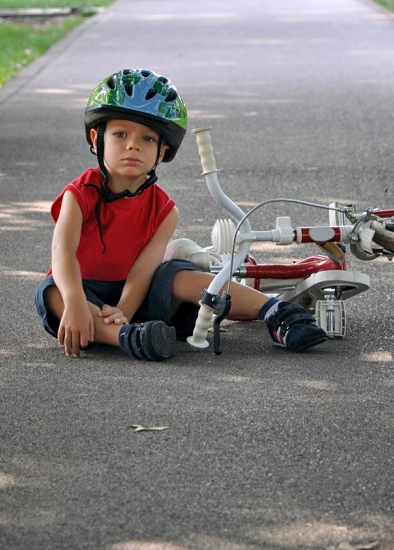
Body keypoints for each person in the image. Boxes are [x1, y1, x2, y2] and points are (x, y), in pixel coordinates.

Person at [34, 69, 328, 361]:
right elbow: (63, 252)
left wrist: (123, 310)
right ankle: (128, 338)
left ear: (162, 152)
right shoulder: (79, 193)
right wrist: (75, 300)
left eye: (148, 139)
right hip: (80, 291)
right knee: (51, 292)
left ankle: (276, 312)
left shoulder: (164, 211)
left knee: (177, 273)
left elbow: (143, 271)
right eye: (120, 134)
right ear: (97, 137)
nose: (133, 144)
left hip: (140, 299)